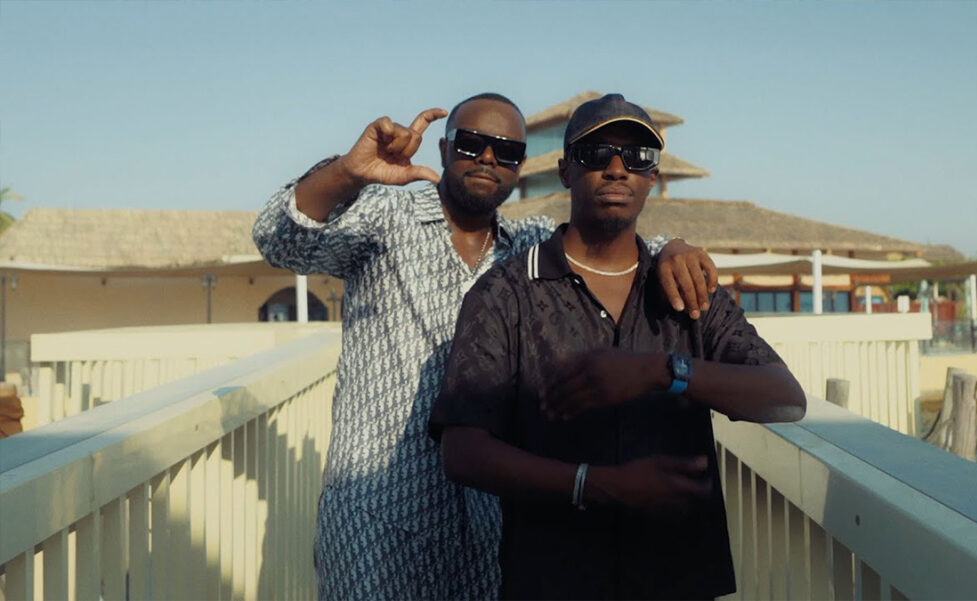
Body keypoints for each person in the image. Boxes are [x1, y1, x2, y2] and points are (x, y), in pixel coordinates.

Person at [252, 92, 719, 600]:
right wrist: (348, 172)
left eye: (508, 151)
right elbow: (278, 238)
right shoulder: (387, 219)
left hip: (489, 516)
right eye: (472, 144)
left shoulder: (527, 248)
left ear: (522, 166)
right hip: (378, 512)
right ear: (445, 149)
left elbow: (610, 243)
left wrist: (672, 247)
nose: (489, 159)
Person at [431, 93, 807, 600]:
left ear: (652, 176)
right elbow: (463, 452)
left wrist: (664, 371)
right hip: (553, 582)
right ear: (565, 171)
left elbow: (785, 398)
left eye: (637, 156)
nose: (616, 168)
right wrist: (597, 485)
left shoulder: (685, 290)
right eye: (595, 153)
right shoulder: (506, 292)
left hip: (678, 581)